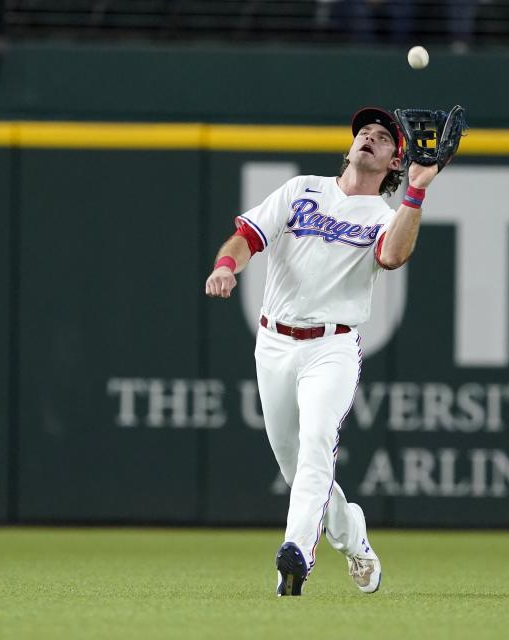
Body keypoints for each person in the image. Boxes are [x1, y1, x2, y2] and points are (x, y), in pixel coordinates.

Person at [204, 107, 439, 596]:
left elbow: (393, 256)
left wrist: (418, 188)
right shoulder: (301, 189)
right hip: (272, 343)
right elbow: (247, 236)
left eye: (382, 137)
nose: (368, 138)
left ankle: (295, 555)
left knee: (316, 444)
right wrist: (227, 265)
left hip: (331, 347)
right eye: (364, 133)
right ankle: (353, 537)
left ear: (396, 162)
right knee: (295, 466)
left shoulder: (385, 216)